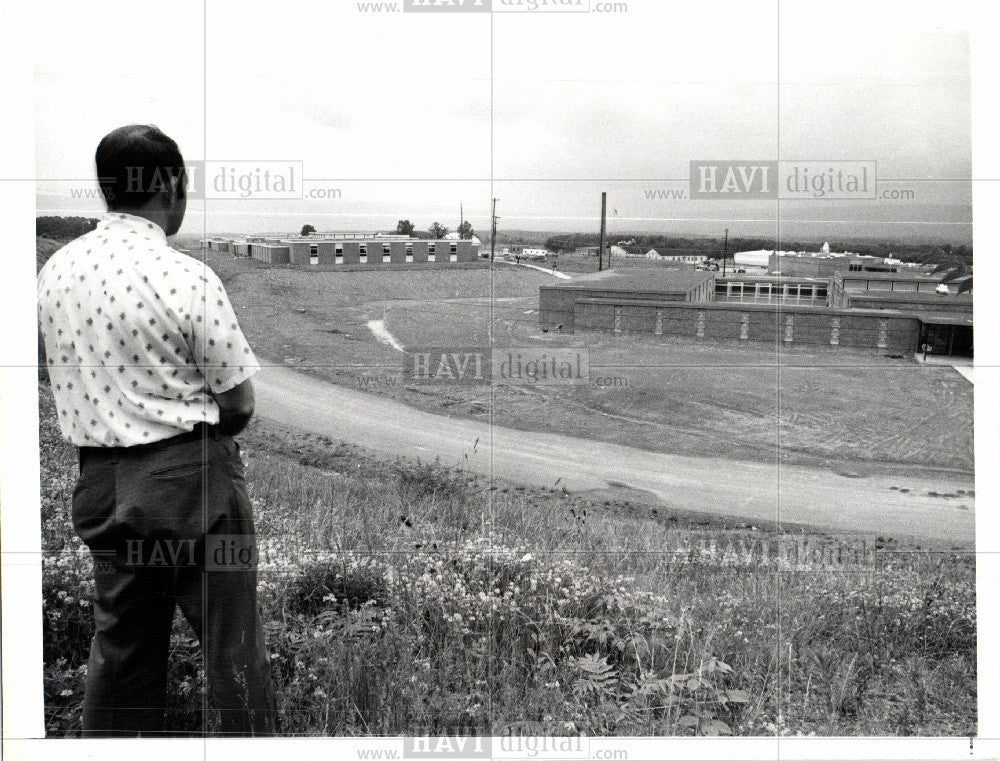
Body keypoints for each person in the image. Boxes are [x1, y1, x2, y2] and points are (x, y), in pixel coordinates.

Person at [37, 125, 276, 736]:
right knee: (231, 647)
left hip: (101, 486)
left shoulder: (56, 272)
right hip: (193, 486)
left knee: (122, 651)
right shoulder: (186, 277)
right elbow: (239, 401)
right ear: (170, 185)